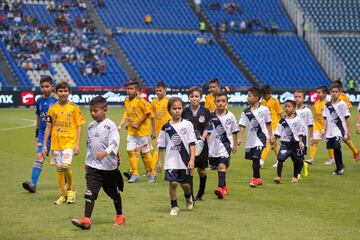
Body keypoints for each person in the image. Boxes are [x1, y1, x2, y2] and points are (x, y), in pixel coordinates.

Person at [71, 96, 124, 230]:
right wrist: (87, 161)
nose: (93, 113)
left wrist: (106, 152)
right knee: (90, 192)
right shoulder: (90, 126)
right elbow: (89, 145)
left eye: (95, 111)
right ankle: (86, 219)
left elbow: (115, 142)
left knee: (113, 193)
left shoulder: (110, 125)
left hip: (109, 167)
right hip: (93, 167)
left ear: (104, 110)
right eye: (91, 111)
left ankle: (120, 216)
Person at [42, 81, 85, 205]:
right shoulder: (52, 109)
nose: (63, 93)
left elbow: (79, 126)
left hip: (69, 142)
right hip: (56, 144)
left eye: (65, 91)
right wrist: (45, 145)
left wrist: (77, 144)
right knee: (60, 169)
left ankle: (71, 190)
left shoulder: (74, 108)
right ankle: (62, 194)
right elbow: (48, 127)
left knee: (65, 166)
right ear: (56, 93)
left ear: (69, 92)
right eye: (60, 91)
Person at [157, 97, 196, 216]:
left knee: (185, 185)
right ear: (169, 110)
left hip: (184, 161)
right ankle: (174, 206)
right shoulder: (165, 127)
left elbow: (192, 143)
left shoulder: (188, 125)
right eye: (174, 108)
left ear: (182, 109)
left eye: (179, 108)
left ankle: (188, 196)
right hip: (170, 161)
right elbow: (161, 146)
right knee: (173, 183)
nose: (177, 111)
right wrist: (159, 161)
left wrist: (192, 160)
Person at [22, 76, 58, 193]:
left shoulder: (57, 100)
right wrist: (37, 132)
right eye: (42, 87)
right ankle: (33, 184)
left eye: (47, 86)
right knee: (39, 156)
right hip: (43, 134)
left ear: (52, 87)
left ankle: (68, 184)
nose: (44, 89)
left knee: (60, 160)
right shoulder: (39, 101)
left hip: (57, 134)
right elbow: (38, 116)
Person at [118, 80, 154, 183]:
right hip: (131, 132)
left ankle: (152, 173)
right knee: (130, 151)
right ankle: (135, 174)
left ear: (137, 91)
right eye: (128, 89)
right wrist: (121, 126)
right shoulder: (126, 100)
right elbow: (127, 114)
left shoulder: (141, 101)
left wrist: (137, 123)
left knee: (145, 153)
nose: (128, 91)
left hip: (142, 133)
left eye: (131, 89)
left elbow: (147, 114)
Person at [238, 87, 274, 188]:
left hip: (262, 137)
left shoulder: (264, 109)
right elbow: (242, 125)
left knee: (256, 157)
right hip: (250, 139)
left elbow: (268, 124)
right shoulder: (245, 112)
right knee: (254, 160)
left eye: (249, 96)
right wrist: (240, 138)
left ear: (256, 97)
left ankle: (255, 179)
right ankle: (258, 178)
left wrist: (271, 136)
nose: (247, 98)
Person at [182, 87, 212, 201]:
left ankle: (201, 191)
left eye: (196, 96)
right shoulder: (184, 112)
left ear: (200, 98)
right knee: (191, 170)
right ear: (188, 97)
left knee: (202, 172)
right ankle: (191, 195)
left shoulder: (205, 111)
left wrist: (202, 140)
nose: (194, 99)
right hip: (189, 146)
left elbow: (207, 127)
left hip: (201, 145)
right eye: (192, 96)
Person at [208, 92, 238, 198]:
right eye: (218, 101)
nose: (220, 103)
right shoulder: (210, 116)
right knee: (217, 166)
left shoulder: (231, 116)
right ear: (215, 102)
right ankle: (224, 187)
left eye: (223, 101)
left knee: (222, 166)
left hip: (225, 146)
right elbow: (207, 131)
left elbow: (234, 131)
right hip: (212, 147)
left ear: (227, 102)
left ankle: (220, 188)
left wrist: (235, 145)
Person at [273, 100, 306, 184]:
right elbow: (278, 131)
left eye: (289, 106)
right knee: (280, 159)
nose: (286, 108)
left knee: (296, 161)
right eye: (285, 106)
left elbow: (301, 131)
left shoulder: (298, 119)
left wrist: (301, 142)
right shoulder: (282, 120)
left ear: (294, 108)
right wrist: (274, 140)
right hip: (285, 143)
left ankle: (295, 177)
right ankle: (278, 177)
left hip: (295, 144)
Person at [321, 84, 351, 175]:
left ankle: (339, 168)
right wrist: (323, 130)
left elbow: (347, 118)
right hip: (330, 131)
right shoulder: (327, 105)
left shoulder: (343, 104)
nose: (334, 93)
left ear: (340, 93)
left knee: (337, 146)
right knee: (334, 148)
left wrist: (347, 131)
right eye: (333, 92)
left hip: (339, 129)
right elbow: (325, 118)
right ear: (330, 93)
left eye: (336, 92)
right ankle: (340, 166)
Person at [306, 86, 334, 165]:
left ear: (324, 94)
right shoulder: (316, 103)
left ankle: (332, 158)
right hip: (317, 126)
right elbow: (315, 116)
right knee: (314, 140)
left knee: (329, 142)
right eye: (316, 92)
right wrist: (313, 125)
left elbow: (330, 117)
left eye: (319, 93)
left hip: (326, 127)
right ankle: (311, 158)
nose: (317, 94)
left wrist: (324, 129)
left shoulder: (328, 104)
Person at [150, 81, 172, 179]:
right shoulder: (154, 102)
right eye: (157, 90)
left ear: (165, 91)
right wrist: (153, 130)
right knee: (160, 148)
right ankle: (152, 168)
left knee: (164, 149)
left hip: (169, 128)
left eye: (160, 90)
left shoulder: (169, 101)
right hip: (160, 130)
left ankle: (152, 169)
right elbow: (151, 116)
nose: (158, 92)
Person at [333, 80, 359, 161]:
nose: (334, 92)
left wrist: (344, 113)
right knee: (334, 138)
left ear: (340, 89)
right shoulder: (332, 96)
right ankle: (334, 158)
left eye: (336, 90)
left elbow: (350, 107)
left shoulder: (344, 96)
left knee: (345, 138)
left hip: (343, 120)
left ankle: (355, 151)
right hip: (334, 121)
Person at [260, 85, 282, 168]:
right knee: (274, 143)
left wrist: (283, 124)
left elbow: (280, 113)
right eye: (264, 94)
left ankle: (261, 160)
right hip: (266, 126)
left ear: (270, 93)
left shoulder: (275, 101)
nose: (265, 96)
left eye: (267, 94)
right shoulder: (262, 102)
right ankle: (280, 160)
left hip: (275, 125)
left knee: (268, 141)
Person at [294, 89, 313, 177]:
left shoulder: (307, 111)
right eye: (295, 97)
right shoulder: (291, 109)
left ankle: (297, 174)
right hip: (293, 136)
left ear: (304, 98)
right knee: (294, 156)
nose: (297, 99)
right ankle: (303, 165)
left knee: (300, 155)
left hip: (303, 136)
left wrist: (311, 136)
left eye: (299, 97)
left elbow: (310, 125)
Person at [204, 78, 221, 170]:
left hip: (219, 123)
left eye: (214, 87)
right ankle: (213, 163)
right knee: (209, 142)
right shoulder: (208, 97)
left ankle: (220, 161)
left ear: (218, 87)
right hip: (210, 123)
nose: (212, 89)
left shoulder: (221, 97)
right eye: (210, 87)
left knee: (218, 142)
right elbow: (206, 110)